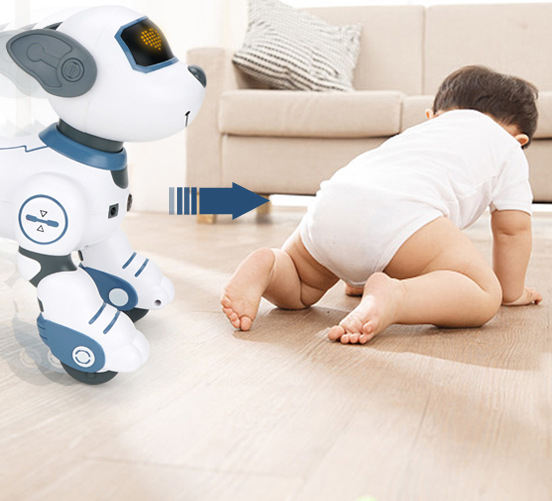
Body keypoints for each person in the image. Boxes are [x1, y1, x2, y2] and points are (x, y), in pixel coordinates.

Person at [221, 65, 543, 344]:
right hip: (402, 217)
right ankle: (397, 296)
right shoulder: (507, 148)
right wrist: (512, 293)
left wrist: (358, 270)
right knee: (482, 291)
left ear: (432, 116)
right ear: (519, 141)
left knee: (301, 285)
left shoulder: (419, 133)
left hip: (334, 201)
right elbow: (512, 231)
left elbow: (375, 219)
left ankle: (270, 266)